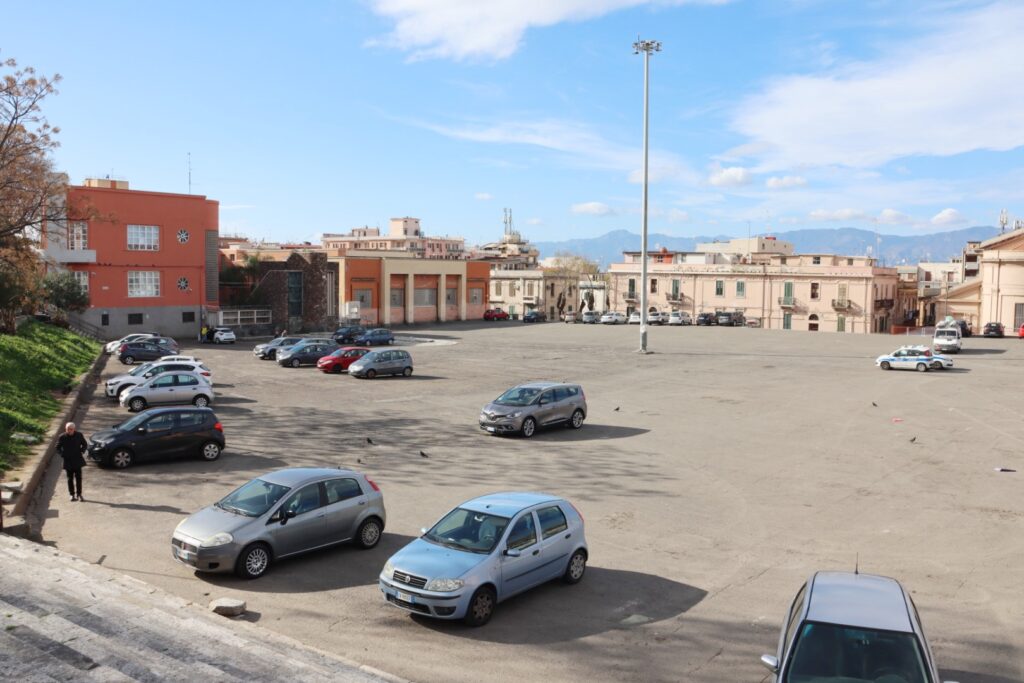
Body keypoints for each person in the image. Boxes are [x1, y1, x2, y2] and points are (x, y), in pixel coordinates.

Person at [56, 421, 88, 502]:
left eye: (71, 429)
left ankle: (79, 494)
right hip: (68, 460)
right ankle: (72, 494)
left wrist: (82, 451)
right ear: (65, 429)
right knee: (70, 479)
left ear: (74, 429)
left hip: (77, 460)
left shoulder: (79, 435)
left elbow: (84, 444)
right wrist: (62, 454)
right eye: (68, 429)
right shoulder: (62, 437)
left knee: (79, 478)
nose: (69, 431)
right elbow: (57, 447)